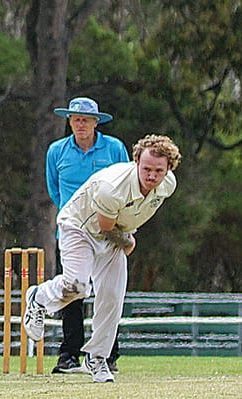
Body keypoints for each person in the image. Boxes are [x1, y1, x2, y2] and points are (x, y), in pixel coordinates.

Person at [24, 134, 182, 384]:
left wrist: (127, 234)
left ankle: (97, 358)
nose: (152, 176)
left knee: (112, 296)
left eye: (158, 171)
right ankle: (38, 297)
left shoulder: (168, 184)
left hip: (115, 230)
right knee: (77, 286)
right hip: (80, 227)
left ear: (169, 169)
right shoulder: (113, 187)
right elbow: (105, 227)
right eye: (146, 169)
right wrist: (128, 242)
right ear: (136, 162)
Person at [43, 97, 129, 374]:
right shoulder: (57, 151)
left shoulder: (114, 148)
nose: (80, 124)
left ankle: (107, 354)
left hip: (108, 229)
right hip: (74, 230)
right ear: (69, 122)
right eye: (76, 119)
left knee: (109, 293)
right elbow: (55, 191)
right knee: (73, 290)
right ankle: (69, 354)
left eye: (86, 120)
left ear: (95, 122)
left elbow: (126, 185)